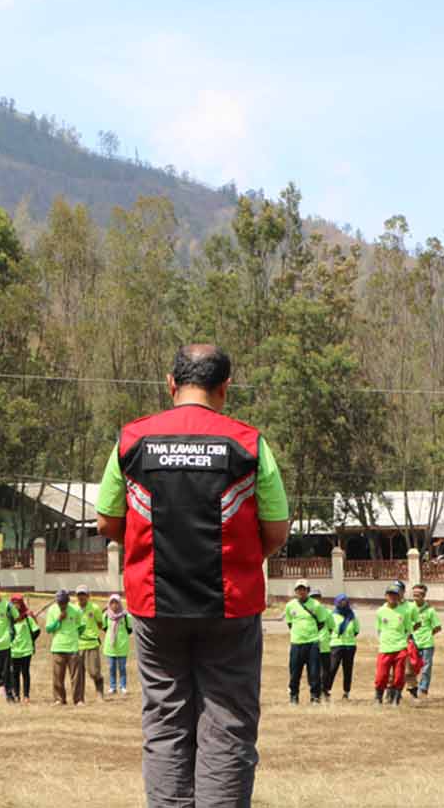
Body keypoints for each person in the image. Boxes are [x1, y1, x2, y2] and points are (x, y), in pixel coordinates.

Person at [94, 344, 290, 807]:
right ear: (225, 388)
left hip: (153, 605)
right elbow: (276, 531)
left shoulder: (132, 440)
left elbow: (106, 521)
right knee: (228, 726)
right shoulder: (248, 444)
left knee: (165, 725)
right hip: (231, 607)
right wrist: (239, 558)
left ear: (170, 383)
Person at [374, 584, 416, 706]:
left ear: (399, 596)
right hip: (385, 648)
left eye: (395, 594)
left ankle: (396, 699)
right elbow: (379, 630)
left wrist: (404, 642)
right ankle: (378, 698)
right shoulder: (380, 611)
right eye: (390, 594)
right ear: (386, 596)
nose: (392, 597)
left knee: (398, 676)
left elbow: (408, 629)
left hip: (400, 648)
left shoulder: (405, 611)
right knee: (382, 676)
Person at [46, 588, 86, 705]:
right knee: (58, 676)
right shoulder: (52, 610)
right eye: (60, 603)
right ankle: (59, 699)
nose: (62, 605)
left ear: (68, 601)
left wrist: (75, 636)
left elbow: (81, 626)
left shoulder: (76, 610)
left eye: (64, 603)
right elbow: (49, 629)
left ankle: (78, 699)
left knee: (77, 677)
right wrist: (58, 620)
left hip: (73, 647)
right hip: (58, 647)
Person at [73, 584, 109, 699]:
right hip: (78, 644)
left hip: (92, 643)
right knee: (79, 674)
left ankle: (99, 692)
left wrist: (92, 632)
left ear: (88, 596)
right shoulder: (73, 608)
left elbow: (100, 624)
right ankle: (80, 698)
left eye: (83, 594)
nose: (81, 597)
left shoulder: (95, 608)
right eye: (79, 595)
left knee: (94, 672)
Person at [407, 583, 440, 699]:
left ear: (424, 595)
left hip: (427, 644)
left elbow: (437, 627)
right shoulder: (409, 608)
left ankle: (423, 689)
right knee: (411, 666)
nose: (415, 597)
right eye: (414, 594)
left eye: (418, 595)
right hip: (413, 643)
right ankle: (413, 687)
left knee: (426, 668)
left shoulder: (430, 610)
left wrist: (428, 635)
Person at [325, 594, 359, 702]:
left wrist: (349, 638)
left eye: (345, 602)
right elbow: (329, 628)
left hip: (350, 646)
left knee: (348, 669)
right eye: (341, 602)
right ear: (337, 603)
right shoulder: (332, 615)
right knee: (332, 668)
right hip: (336, 644)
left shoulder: (352, 616)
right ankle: (326, 690)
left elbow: (356, 630)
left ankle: (346, 692)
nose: (343, 604)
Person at [8, 594, 42, 704]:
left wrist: (29, 640)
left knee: (25, 672)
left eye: (17, 603)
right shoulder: (9, 619)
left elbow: (37, 630)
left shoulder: (27, 617)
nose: (15, 605)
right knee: (15, 674)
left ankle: (26, 696)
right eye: (13, 603)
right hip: (13, 651)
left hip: (26, 650)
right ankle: (16, 694)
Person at [103, 593, 132, 696]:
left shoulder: (126, 616)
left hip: (122, 646)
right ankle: (112, 687)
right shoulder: (106, 615)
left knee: (122, 667)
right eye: (112, 603)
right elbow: (105, 628)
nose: (114, 605)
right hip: (110, 647)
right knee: (111, 667)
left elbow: (129, 629)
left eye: (116, 603)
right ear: (109, 604)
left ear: (120, 603)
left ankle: (123, 687)